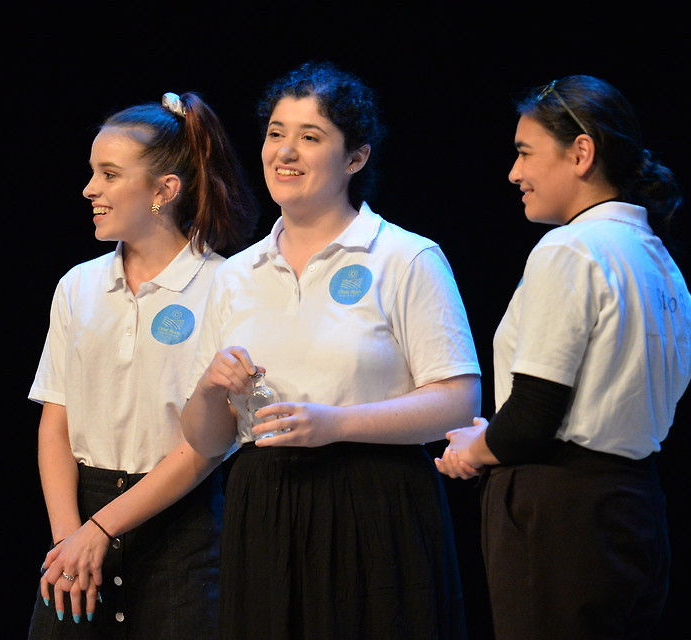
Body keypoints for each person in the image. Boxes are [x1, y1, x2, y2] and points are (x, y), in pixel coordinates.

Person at [181, 61, 482, 639]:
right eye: (276, 133)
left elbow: (457, 401)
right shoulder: (235, 275)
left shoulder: (405, 257)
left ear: (355, 159)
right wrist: (211, 387)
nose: (284, 151)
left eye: (310, 137)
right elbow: (207, 440)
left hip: (376, 502)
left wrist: (334, 423)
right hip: (264, 506)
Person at [434, 75, 691, 640]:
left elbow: (533, 416)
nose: (514, 173)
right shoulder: (659, 260)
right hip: (634, 508)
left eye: (525, 152)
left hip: (562, 516)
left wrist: (472, 449)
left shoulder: (571, 248)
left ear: (581, 153)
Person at [27, 91, 259, 638]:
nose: (90, 189)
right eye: (93, 172)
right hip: (80, 520)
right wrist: (69, 541)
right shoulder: (79, 286)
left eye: (109, 174)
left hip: (182, 526)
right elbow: (56, 421)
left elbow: (209, 444)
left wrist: (103, 528)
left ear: (164, 190)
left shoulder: (226, 285)